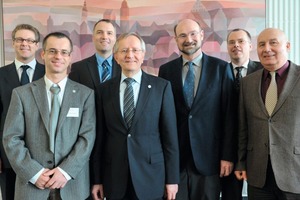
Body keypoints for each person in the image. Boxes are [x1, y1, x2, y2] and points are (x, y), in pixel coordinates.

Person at [2, 32, 96, 200]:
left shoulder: (85, 95)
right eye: (52, 51)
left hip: (72, 186)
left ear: (69, 57)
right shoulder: (21, 94)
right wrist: (34, 173)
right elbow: (11, 138)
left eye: (63, 52)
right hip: (32, 186)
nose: (58, 56)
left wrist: (66, 171)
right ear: (43, 54)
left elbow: (87, 138)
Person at [91, 32, 180, 200]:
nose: (129, 55)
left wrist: (172, 180)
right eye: (124, 50)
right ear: (116, 56)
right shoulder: (103, 90)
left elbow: (170, 138)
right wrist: (97, 180)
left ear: (142, 55)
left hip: (152, 176)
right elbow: (99, 139)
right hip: (114, 176)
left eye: (135, 50)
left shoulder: (161, 87)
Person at [159, 19, 236, 200]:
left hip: (210, 158)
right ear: (176, 39)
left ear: (201, 35)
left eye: (193, 33)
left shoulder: (222, 68)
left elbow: (229, 116)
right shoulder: (166, 71)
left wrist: (227, 156)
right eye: (183, 35)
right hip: (176, 160)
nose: (189, 39)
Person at [235, 28, 300, 199]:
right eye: (261, 44)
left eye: (273, 43)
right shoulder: (247, 83)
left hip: (295, 173)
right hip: (258, 174)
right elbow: (243, 127)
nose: (266, 49)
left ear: (287, 46)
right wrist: (241, 162)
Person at [0, 23, 45, 200]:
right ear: (13, 43)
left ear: (36, 45)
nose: (24, 43)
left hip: (42, 156)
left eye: (29, 40)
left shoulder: (49, 73)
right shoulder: (0, 75)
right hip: (8, 156)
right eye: (19, 39)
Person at [220, 28, 262, 200]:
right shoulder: (219, 72)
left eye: (241, 41)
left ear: (250, 45)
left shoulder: (262, 71)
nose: (236, 45)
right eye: (231, 42)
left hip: (256, 147)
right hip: (227, 148)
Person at [69, 19, 121, 89]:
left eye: (109, 33)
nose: (104, 37)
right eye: (99, 32)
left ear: (115, 39)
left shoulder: (124, 67)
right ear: (93, 38)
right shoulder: (78, 68)